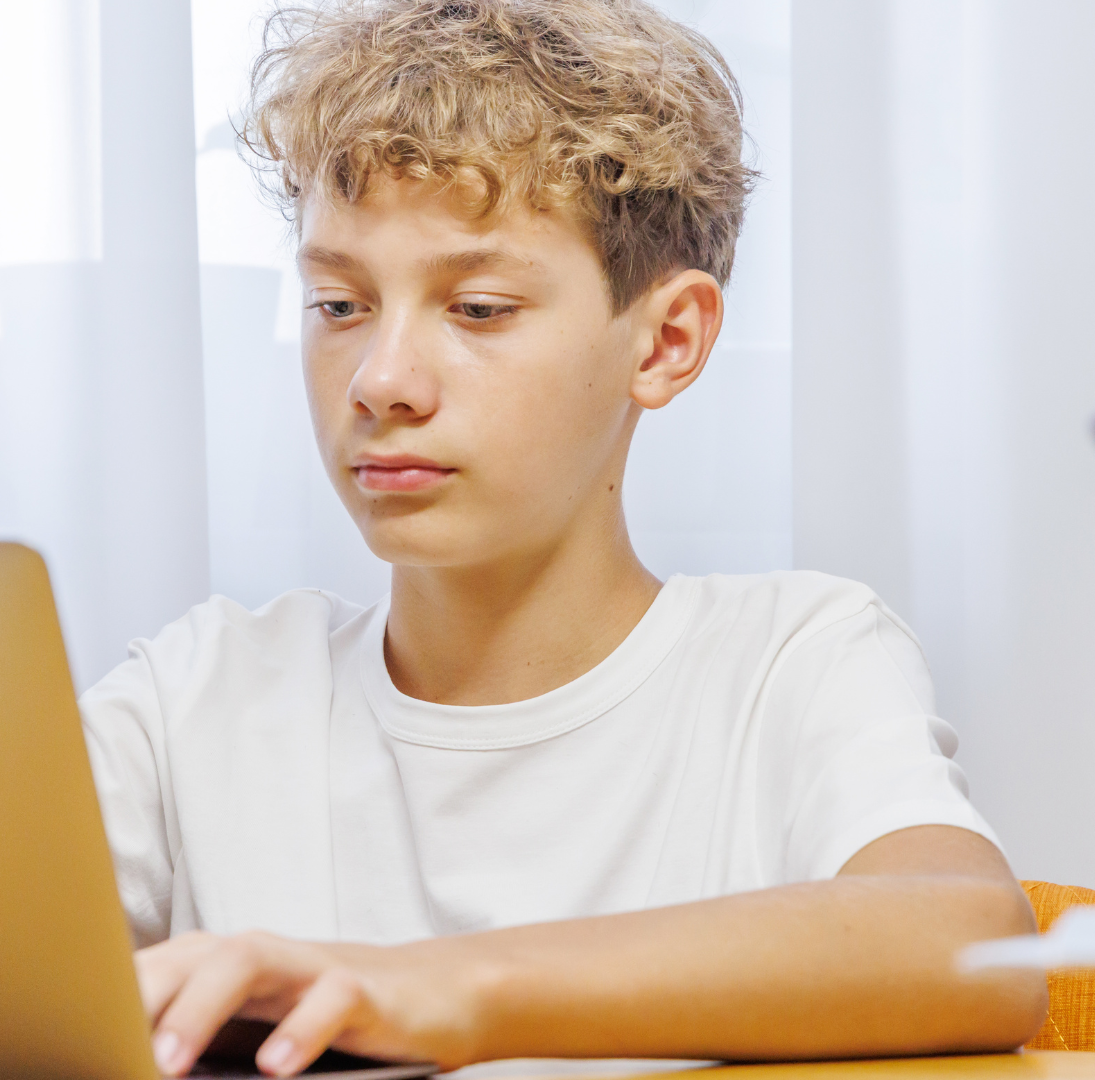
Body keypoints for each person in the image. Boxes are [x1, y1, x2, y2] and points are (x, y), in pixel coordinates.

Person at [77, 1, 1048, 1075]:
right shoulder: (195, 700)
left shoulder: (791, 664)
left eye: (480, 308)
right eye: (338, 303)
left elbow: (978, 951)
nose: (381, 382)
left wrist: (432, 989)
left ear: (667, 341)